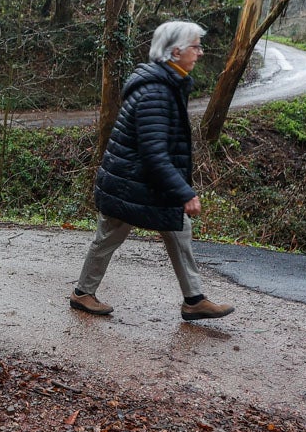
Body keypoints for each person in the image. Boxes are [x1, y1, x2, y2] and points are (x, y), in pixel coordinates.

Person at [69, 20, 235, 322]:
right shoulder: (156, 92)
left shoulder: (168, 84)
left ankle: (194, 299)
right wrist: (184, 192)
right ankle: (82, 294)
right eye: (195, 47)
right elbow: (154, 153)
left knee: (178, 229)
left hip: (141, 183)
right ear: (175, 51)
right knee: (108, 237)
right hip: (128, 184)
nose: (200, 52)